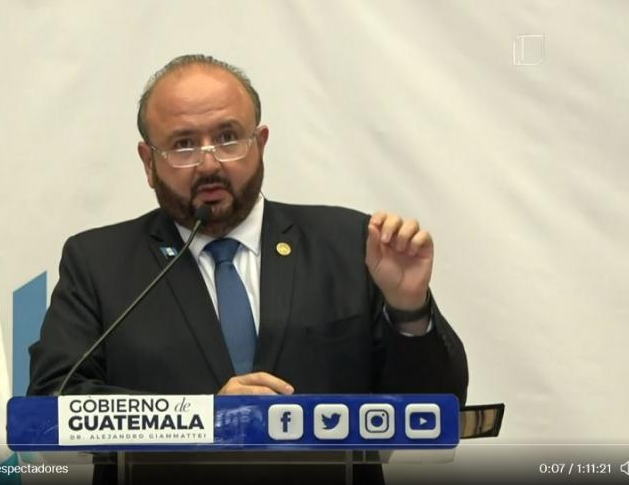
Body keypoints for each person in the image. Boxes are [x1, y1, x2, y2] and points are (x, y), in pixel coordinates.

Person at [28, 54, 468, 485]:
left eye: (228, 137)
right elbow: (52, 408)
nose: (210, 163)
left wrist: (409, 310)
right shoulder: (98, 261)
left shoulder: (350, 243)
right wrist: (202, 420)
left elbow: (434, 409)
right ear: (148, 161)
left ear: (260, 143)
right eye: (183, 144)